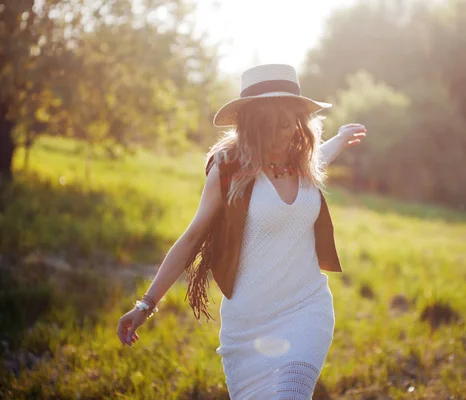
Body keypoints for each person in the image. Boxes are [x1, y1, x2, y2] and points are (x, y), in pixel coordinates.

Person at [117, 63, 367, 399]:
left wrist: (337, 139)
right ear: (251, 125)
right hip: (247, 329)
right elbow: (191, 238)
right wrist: (146, 304)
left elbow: (318, 158)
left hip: (306, 312)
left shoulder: (302, 163)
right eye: (270, 127)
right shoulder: (229, 171)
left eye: (288, 124)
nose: (283, 136)